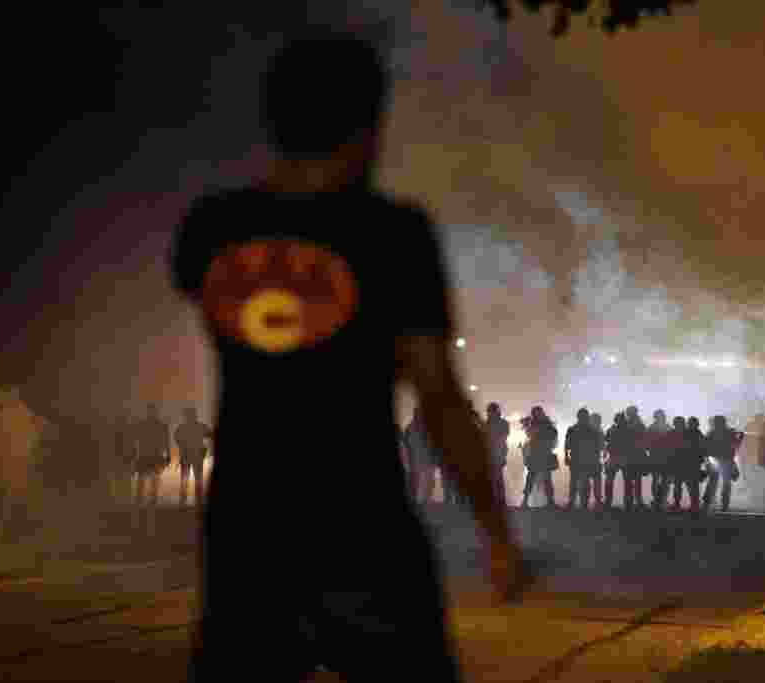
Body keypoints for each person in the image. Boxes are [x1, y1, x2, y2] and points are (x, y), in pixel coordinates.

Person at [171, 33, 526, 682]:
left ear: (274, 120)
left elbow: (243, 322)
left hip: (246, 524)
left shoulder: (212, 228)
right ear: (369, 126)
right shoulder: (394, 234)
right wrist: (496, 529)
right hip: (360, 520)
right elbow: (438, 394)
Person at [134, 404, 171, 534]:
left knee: (145, 481)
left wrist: (167, 455)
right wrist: (168, 455)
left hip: (148, 456)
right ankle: (148, 505)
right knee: (149, 481)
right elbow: (166, 442)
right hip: (151, 456)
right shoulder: (160, 425)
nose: (151, 413)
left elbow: (136, 441)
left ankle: (142, 506)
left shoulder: (145, 425)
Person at [564, 408, 604, 510]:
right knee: (581, 482)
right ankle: (582, 503)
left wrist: (567, 456)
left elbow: (567, 445)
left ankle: (577, 502)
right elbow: (599, 446)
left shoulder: (573, 429)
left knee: (578, 482)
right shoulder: (592, 430)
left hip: (581, 459)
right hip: (586, 459)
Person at [520, 406, 559, 508]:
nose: (537, 415)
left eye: (538, 413)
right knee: (532, 478)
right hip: (536, 453)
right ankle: (525, 501)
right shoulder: (534, 423)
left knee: (544, 478)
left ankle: (550, 501)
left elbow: (553, 435)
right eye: (535, 413)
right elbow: (529, 434)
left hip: (543, 452)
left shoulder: (544, 423)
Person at [703, 415, 743, 513]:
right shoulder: (723, 432)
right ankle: (717, 503)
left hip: (722, 460)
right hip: (720, 460)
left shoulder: (713, 432)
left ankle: (711, 503)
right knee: (720, 483)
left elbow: (736, 445)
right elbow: (736, 445)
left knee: (717, 483)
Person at [174, 406, 212, 510]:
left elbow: (177, 439)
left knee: (187, 479)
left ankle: (184, 502)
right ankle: (195, 502)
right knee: (195, 479)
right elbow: (210, 436)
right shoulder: (200, 426)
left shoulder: (182, 427)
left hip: (189, 456)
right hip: (194, 456)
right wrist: (205, 449)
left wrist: (205, 449)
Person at [604, 412, 632, 509]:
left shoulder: (612, 429)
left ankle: (609, 501)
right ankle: (627, 502)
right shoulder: (628, 429)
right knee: (626, 481)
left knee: (611, 480)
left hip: (617, 456)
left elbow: (606, 441)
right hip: (621, 457)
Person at [647, 409, 672, 510]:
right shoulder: (667, 427)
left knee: (660, 479)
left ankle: (659, 499)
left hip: (658, 456)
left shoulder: (652, 428)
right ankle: (661, 499)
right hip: (660, 457)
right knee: (662, 479)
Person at [485, 403, 510, 506]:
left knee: (497, 477)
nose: (490, 413)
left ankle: (499, 500)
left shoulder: (499, 423)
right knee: (496, 477)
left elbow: (503, 436)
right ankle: (498, 500)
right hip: (494, 452)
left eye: (491, 411)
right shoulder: (494, 423)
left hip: (497, 453)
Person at [589, 412, 605, 507]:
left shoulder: (598, 430)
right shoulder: (598, 430)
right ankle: (597, 501)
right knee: (595, 481)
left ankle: (597, 501)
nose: (599, 422)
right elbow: (602, 445)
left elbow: (602, 445)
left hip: (593, 459)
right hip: (593, 459)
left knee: (595, 481)